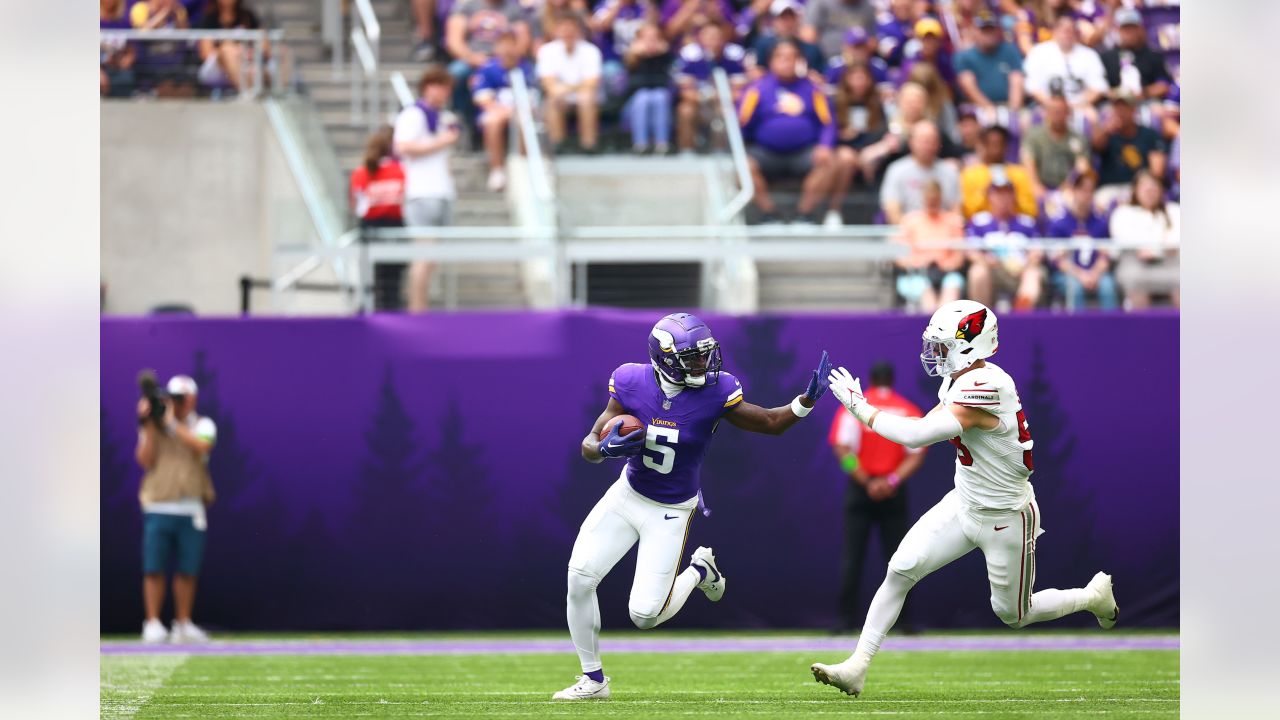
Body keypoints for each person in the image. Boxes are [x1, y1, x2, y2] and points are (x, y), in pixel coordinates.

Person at [811, 299, 1120, 698]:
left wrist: (858, 404)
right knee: (901, 569)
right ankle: (857, 665)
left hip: (1006, 516)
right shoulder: (959, 379)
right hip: (964, 502)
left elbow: (917, 436)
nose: (935, 354)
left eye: (941, 346)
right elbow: (925, 424)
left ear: (969, 344)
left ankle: (1092, 597)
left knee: (1013, 613)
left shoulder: (989, 384)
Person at [555, 313, 831, 700]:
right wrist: (600, 449)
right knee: (579, 578)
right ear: (664, 358)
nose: (703, 363)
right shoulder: (632, 380)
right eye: (693, 357)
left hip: (670, 510)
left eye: (705, 354)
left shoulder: (717, 392)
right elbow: (590, 440)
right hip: (627, 496)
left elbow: (770, 422)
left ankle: (700, 570)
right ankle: (594, 680)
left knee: (645, 616)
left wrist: (805, 402)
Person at [828, 362, 925, 634]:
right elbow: (916, 454)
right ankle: (903, 622)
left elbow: (841, 451)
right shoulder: (906, 409)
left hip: (862, 488)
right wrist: (892, 481)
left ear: (869, 380)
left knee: (852, 557)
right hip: (894, 490)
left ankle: (845, 621)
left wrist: (866, 481)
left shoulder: (854, 408)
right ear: (892, 380)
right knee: (901, 560)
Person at [135, 375, 218, 644]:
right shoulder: (154, 427)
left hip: (191, 506)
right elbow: (145, 460)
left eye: (181, 398)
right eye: (172, 397)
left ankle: (182, 623)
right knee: (154, 567)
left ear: (192, 399)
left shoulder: (203, 424)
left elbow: (203, 446)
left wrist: (171, 424)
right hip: (159, 504)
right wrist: (148, 425)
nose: (177, 403)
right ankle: (153, 622)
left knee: (187, 569)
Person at [738, 40, 837, 225]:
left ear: (800, 61)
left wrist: (825, 146)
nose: (786, 62)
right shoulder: (757, 89)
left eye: (792, 58)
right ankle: (769, 215)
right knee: (742, 166)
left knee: (830, 162)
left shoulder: (813, 89)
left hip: (805, 152)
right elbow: (741, 123)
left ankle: (804, 216)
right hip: (765, 152)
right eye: (781, 57)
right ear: (771, 61)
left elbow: (828, 123)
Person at [393, 67, 461, 313]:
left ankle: (423, 306)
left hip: (442, 191)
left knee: (432, 258)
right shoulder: (412, 115)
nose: (442, 92)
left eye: (446, 87)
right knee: (424, 255)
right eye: (437, 86)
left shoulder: (444, 117)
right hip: (421, 193)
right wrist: (441, 141)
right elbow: (403, 147)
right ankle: (417, 309)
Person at [965, 169, 1044, 311]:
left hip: (1020, 270)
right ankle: (981, 325)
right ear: (989, 196)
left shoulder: (1026, 222)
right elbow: (971, 251)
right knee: (977, 272)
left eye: (1007, 193)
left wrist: (1027, 264)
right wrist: (985, 260)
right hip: (993, 269)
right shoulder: (979, 221)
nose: (1003, 198)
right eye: (998, 193)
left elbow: (1037, 251)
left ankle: (1020, 319)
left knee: (1034, 273)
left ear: (1014, 196)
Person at [445, 0, 532, 123]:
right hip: (473, 58)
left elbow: (523, 40)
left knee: (525, 71)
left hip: (505, 60)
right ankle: (462, 117)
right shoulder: (467, 7)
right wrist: (472, 57)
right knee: (455, 72)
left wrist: (508, 58)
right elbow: (454, 41)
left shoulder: (513, 8)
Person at [350, 126, 408, 311]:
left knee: (370, 283)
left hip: (369, 230)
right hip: (394, 229)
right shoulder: (401, 171)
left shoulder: (360, 172)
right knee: (391, 285)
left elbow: (357, 206)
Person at [1044, 169, 1118, 311]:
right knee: (1075, 288)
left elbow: (1106, 255)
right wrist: (1081, 275)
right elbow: (1057, 259)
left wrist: (1095, 274)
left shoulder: (1101, 222)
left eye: (1091, 190)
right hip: (1067, 274)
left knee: (1107, 286)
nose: (1087, 194)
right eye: (1082, 189)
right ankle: (1077, 332)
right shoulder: (1059, 222)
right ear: (1073, 190)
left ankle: (1112, 331)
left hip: (1096, 273)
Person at [826, 61, 889, 227]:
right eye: (854, 77)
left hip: (869, 150)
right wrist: (843, 136)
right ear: (846, 80)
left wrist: (868, 150)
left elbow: (882, 131)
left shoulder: (877, 103)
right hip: (844, 150)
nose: (859, 82)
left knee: (873, 162)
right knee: (846, 159)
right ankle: (834, 211)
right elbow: (830, 131)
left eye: (863, 78)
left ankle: (878, 215)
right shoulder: (836, 102)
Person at [471, 30, 533, 191]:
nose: (507, 49)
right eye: (503, 44)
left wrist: (514, 111)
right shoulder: (488, 68)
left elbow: (533, 97)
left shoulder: (526, 68)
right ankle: (497, 170)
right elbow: (481, 97)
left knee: (523, 120)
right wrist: (502, 110)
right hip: (496, 111)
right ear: (496, 47)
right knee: (492, 121)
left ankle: (522, 167)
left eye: (510, 44)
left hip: (520, 110)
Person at [673, 22, 748, 153]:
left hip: (723, 102)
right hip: (699, 102)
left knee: (727, 110)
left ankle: (720, 151)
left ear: (723, 37)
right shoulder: (689, 53)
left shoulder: (735, 54)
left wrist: (720, 97)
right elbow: (684, 91)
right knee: (685, 110)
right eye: (708, 35)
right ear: (700, 37)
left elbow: (740, 91)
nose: (712, 40)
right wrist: (707, 97)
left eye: (716, 36)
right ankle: (687, 152)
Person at [893, 180, 966, 312]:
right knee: (927, 295)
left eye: (935, 199)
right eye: (928, 199)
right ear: (923, 198)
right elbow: (900, 257)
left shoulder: (953, 221)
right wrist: (922, 263)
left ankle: (945, 329)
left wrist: (944, 264)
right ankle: (932, 329)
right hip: (916, 275)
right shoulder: (909, 221)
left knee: (951, 290)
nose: (932, 202)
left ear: (940, 198)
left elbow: (959, 256)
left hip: (946, 274)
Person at [1111, 170, 1179, 309]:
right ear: (1135, 190)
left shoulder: (1174, 211)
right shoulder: (1123, 213)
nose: (1149, 191)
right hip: (1135, 265)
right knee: (1135, 281)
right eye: (1145, 187)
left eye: (1154, 187)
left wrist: (1156, 251)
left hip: (1170, 264)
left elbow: (1176, 240)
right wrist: (1160, 245)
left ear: (1161, 190)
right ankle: (1140, 329)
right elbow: (1126, 239)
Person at [537, 14, 604, 154]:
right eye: (564, 29)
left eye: (571, 28)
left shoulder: (591, 50)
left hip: (583, 95)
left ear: (578, 30)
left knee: (586, 98)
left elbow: (592, 82)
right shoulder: (546, 51)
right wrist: (570, 88)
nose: (568, 32)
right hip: (560, 96)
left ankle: (589, 144)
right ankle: (558, 144)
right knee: (553, 99)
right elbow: (548, 83)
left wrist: (567, 88)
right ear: (556, 30)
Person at [1092, 90, 1167, 208]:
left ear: (1134, 110)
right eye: (1117, 108)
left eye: (1124, 108)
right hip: (1110, 188)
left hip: (1140, 187)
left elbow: (1157, 172)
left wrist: (1140, 188)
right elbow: (1095, 146)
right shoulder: (1107, 135)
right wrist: (1105, 131)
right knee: (1099, 202)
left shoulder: (1150, 135)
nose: (1120, 112)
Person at [1022, 15, 1106, 120]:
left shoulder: (1089, 55)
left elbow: (1098, 87)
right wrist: (1054, 106)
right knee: (1027, 118)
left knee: (1093, 117)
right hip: (1045, 105)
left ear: (1076, 33)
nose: (1067, 35)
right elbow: (1032, 87)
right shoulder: (1038, 52)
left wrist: (1078, 105)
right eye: (1063, 31)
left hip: (1080, 106)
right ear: (1054, 31)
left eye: (1070, 31)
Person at [879, 121, 960, 225]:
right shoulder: (896, 170)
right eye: (923, 141)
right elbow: (892, 211)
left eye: (931, 140)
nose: (927, 145)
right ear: (911, 142)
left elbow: (956, 212)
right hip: (908, 233)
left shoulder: (950, 171)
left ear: (938, 143)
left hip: (942, 234)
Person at [953, 11, 1025, 118]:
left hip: (1008, 106)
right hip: (978, 108)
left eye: (991, 29)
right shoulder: (964, 56)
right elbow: (968, 86)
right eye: (984, 30)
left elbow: (1016, 81)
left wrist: (1013, 112)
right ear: (975, 31)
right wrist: (989, 108)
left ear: (997, 31)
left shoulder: (1009, 51)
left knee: (1024, 119)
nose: (988, 34)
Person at [1020, 92, 1091, 196]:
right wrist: (1036, 186)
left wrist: (1068, 187)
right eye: (1053, 110)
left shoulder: (1078, 138)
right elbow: (1028, 162)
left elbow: (1082, 167)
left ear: (1068, 113)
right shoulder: (1033, 135)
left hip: (1069, 189)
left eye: (1061, 111)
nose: (1057, 114)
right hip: (1039, 187)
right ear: (1046, 112)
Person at [959, 125, 1037, 219]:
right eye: (992, 144)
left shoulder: (1019, 174)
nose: (996, 148)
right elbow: (967, 211)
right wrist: (984, 193)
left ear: (1006, 146)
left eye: (1000, 143)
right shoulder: (970, 174)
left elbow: (1032, 211)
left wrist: (1012, 197)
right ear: (984, 146)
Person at [623, 23, 676, 154]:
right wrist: (641, 57)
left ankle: (662, 144)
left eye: (654, 38)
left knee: (660, 96)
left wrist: (659, 56)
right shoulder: (631, 59)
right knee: (643, 97)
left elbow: (666, 83)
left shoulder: (666, 58)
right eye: (646, 38)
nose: (650, 42)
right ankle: (640, 144)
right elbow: (631, 86)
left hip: (661, 101)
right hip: (633, 105)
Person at [1099, 8, 1170, 101]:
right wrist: (1119, 94)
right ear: (1118, 30)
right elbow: (1100, 88)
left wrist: (1144, 93)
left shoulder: (1153, 56)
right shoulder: (1107, 58)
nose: (1129, 33)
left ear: (1140, 29)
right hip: (1117, 105)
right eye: (1125, 29)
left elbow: (1163, 85)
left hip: (1147, 102)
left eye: (1132, 28)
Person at [130, 0, 195, 98]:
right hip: (150, 61)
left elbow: (185, 36)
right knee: (166, 86)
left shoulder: (178, 10)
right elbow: (142, 33)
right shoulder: (141, 8)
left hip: (175, 61)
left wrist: (176, 16)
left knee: (186, 87)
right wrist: (164, 13)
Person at [195, 0, 262, 94]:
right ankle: (247, 93)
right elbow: (206, 53)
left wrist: (247, 52)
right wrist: (233, 51)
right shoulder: (209, 18)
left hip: (247, 61)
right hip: (216, 67)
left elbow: (264, 46)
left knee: (282, 52)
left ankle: (273, 92)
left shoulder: (247, 16)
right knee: (228, 50)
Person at [751, 1, 824, 76]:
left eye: (791, 18)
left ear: (797, 20)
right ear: (773, 21)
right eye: (783, 18)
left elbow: (819, 76)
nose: (787, 23)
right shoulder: (762, 44)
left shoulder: (812, 49)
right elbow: (757, 71)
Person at [799, 0, 876, 61]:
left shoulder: (867, 5)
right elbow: (808, 35)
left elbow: (873, 40)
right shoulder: (821, 2)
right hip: (825, 58)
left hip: (859, 58)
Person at [101, 0, 137, 98]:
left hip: (118, 68)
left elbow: (131, 50)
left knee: (125, 79)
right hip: (100, 69)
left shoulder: (124, 24)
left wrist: (125, 62)